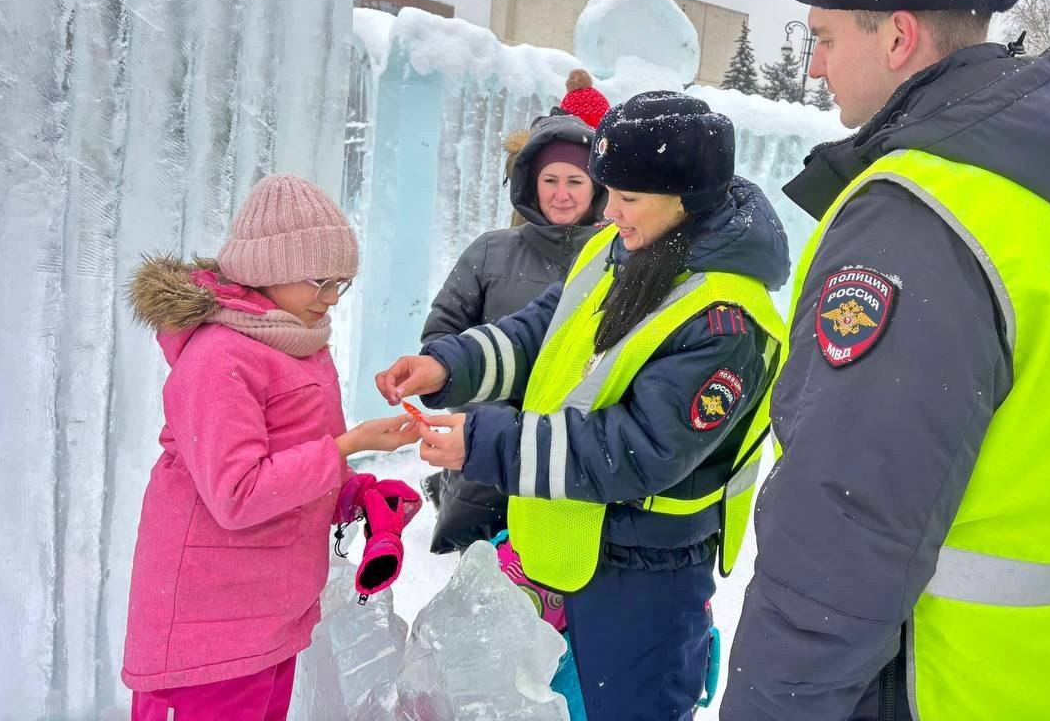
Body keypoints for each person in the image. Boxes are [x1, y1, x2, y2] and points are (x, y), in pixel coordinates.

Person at [722, 0, 1050, 721]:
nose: (814, 67)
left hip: (928, 684)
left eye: (824, 37)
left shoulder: (923, 220)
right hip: (1041, 685)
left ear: (896, 38)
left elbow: (840, 541)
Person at [379, 91, 791, 721]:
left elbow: (641, 448)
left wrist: (487, 441)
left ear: (686, 198)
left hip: (646, 571)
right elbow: (544, 330)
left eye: (629, 197)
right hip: (566, 546)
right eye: (610, 192)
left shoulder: (726, 319)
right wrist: (450, 364)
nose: (611, 210)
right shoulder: (618, 250)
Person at [121, 174, 421, 721]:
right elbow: (236, 493)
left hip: (266, 615)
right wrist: (346, 447)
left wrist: (358, 494)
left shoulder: (296, 344)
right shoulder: (219, 356)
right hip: (209, 628)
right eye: (319, 280)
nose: (331, 298)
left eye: (341, 283)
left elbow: (294, 464)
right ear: (269, 270)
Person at [421, 111, 608, 552]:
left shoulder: (616, 257)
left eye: (575, 182)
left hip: (567, 457)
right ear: (529, 184)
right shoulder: (490, 251)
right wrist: (488, 414)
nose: (561, 194)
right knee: (481, 588)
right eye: (550, 180)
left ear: (597, 187)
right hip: (485, 454)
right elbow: (441, 339)